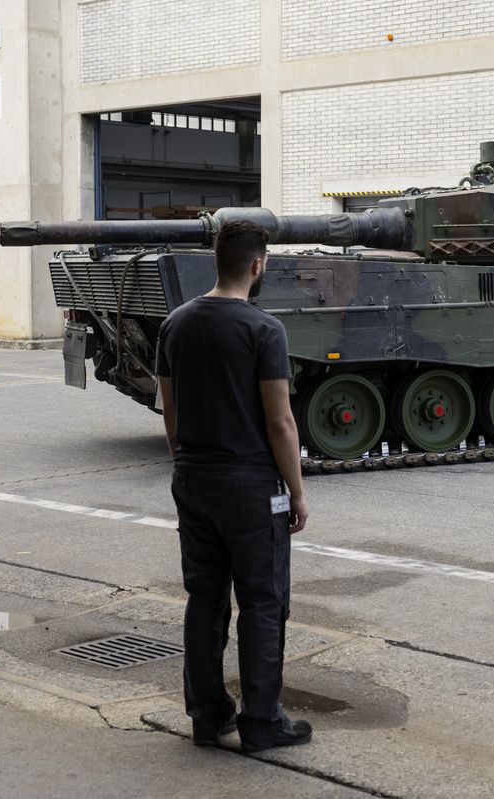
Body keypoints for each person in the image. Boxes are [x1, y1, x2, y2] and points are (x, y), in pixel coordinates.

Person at [156, 219, 313, 752]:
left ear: (216, 261)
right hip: (249, 486)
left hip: (192, 478)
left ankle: (207, 716)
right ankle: (262, 723)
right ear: (257, 264)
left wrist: (189, 466)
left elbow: (170, 411)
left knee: (205, 598)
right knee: (263, 602)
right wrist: (296, 490)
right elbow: (281, 423)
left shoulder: (175, 324)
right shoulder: (263, 330)